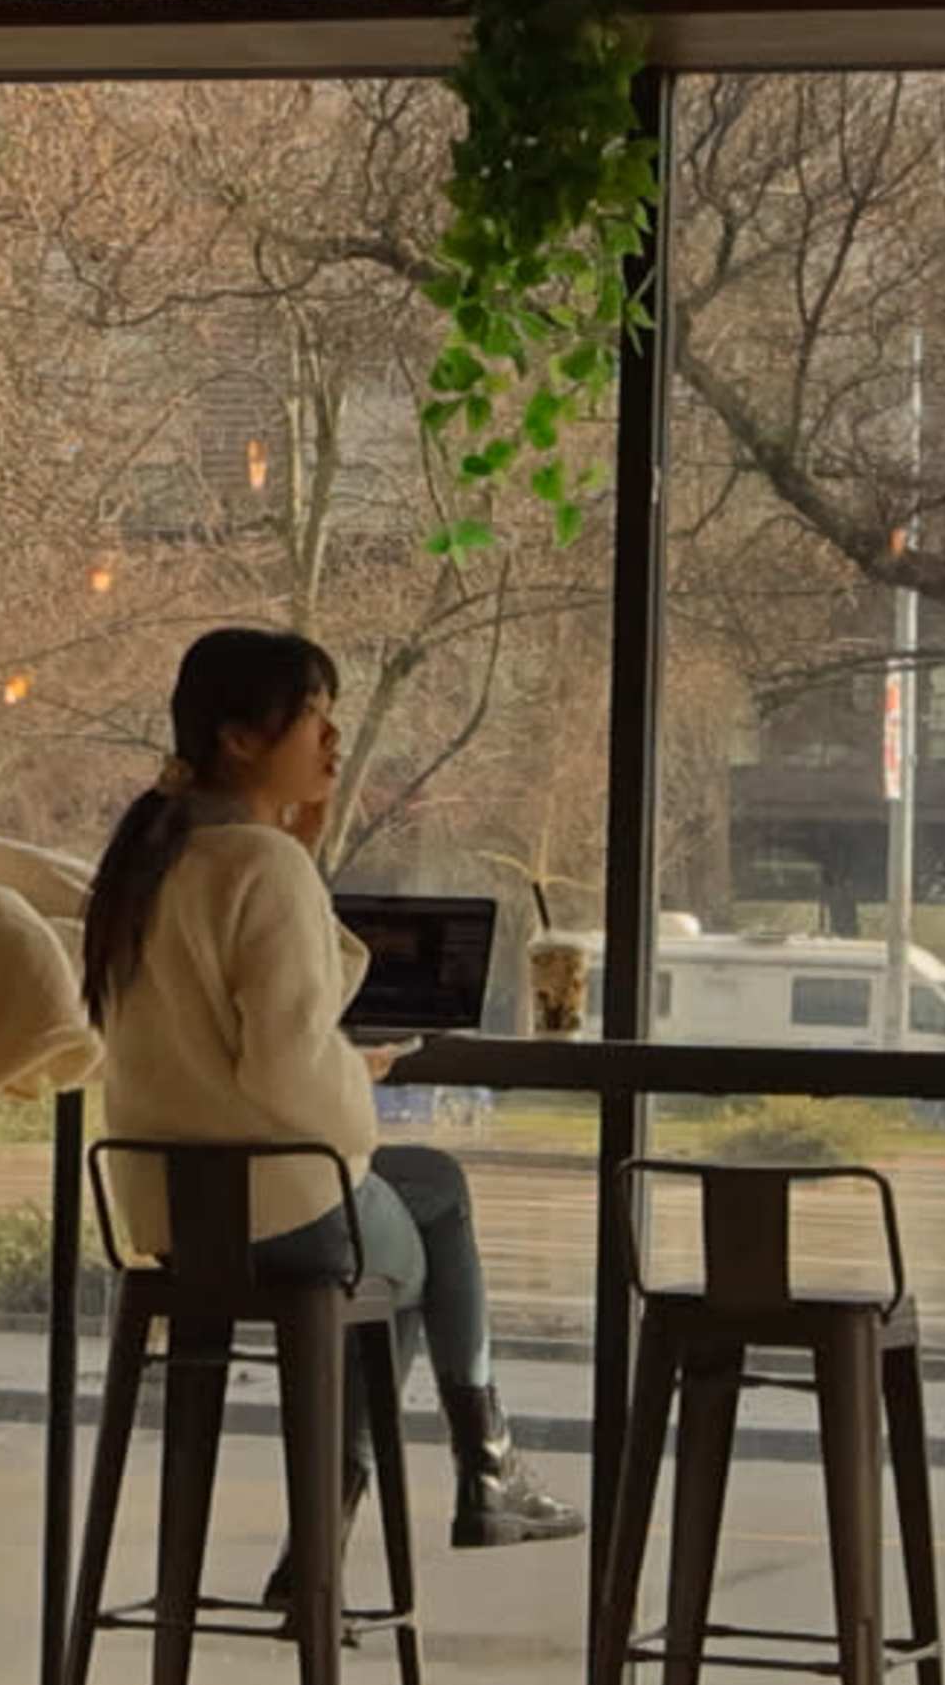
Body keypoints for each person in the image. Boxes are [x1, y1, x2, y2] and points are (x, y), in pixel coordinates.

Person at [82, 625, 584, 1559]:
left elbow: (221, 1053)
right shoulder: (262, 867)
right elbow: (286, 1069)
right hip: (279, 1211)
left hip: (163, 1213)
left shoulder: (144, 866)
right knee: (426, 1209)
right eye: (315, 715)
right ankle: (469, 1471)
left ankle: (383, 1507)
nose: (333, 740)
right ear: (241, 737)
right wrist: (359, 1074)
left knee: (403, 1216)